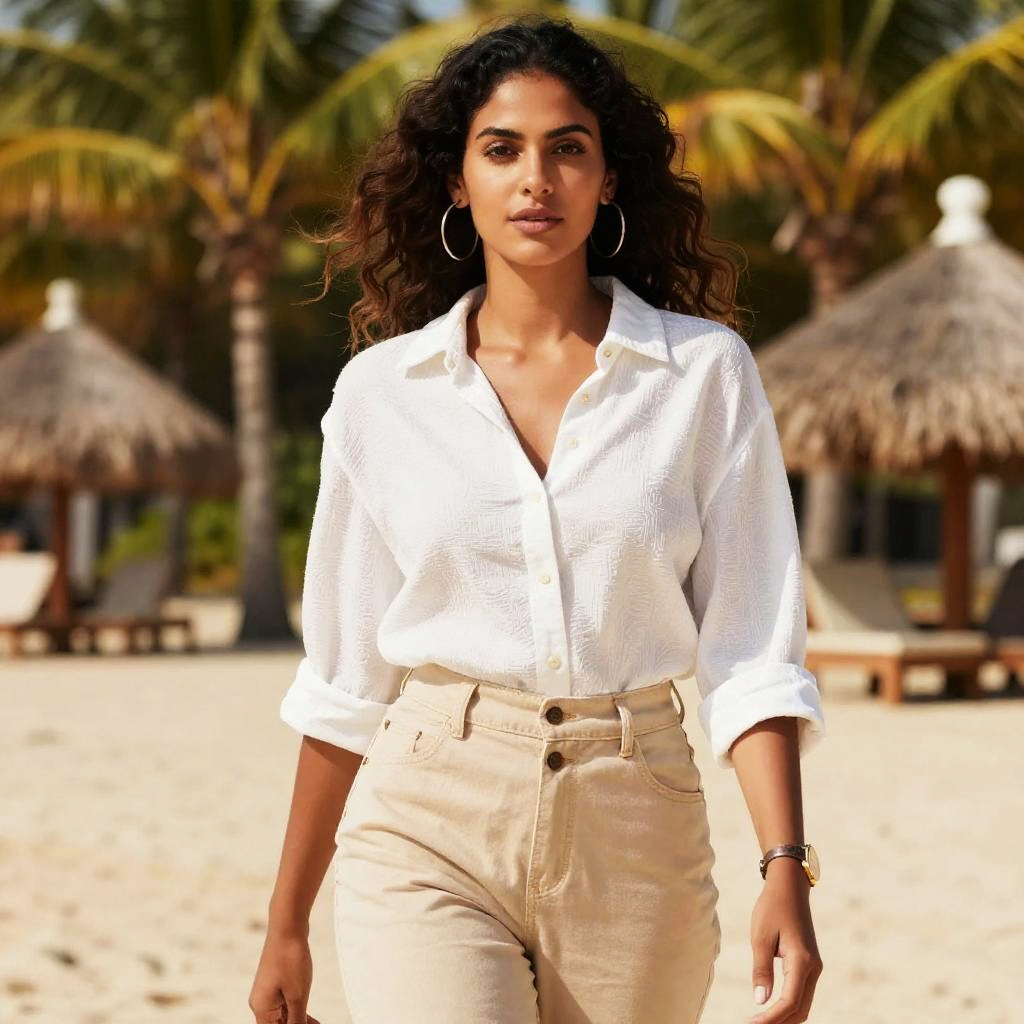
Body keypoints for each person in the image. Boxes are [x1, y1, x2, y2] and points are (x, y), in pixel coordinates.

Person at [249, 13, 826, 1024]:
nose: (535, 179)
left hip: (635, 812)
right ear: (454, 181)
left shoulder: (701, 375)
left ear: (607, 180)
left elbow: (751, 648)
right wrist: (287, 918)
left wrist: (785, 864)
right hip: (429, 809)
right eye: (500, 149)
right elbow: (341, 681)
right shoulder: (384, 394)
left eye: (568, 150)